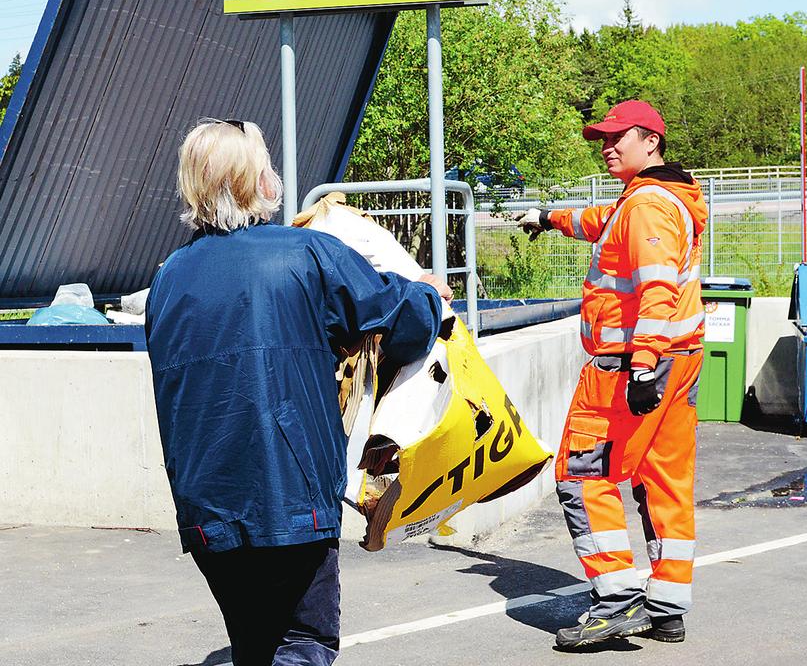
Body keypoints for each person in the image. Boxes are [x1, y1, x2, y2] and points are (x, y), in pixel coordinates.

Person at [146, 119, 450, 666]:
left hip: (204, 498)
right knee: (304, 642)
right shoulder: (305, 253)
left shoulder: (169, 275)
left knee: (255, 645)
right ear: (251, 179)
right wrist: (428, 295)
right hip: (290, 491)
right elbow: (401, 318)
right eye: (265, 162)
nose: (274, 172)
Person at [516, 99, 707, 649]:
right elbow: (603, 224)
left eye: (618, 136)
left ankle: (617, 600)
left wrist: (643, 364)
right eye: (603, 137)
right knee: (662, 480)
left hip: (630, 366)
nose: (607, 145)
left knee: (581, 474)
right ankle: (666, 604)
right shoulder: (660, 197)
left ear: (651, 141)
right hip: (680, 362)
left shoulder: (646, 205)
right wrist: (550, 219)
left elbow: (656, 288)